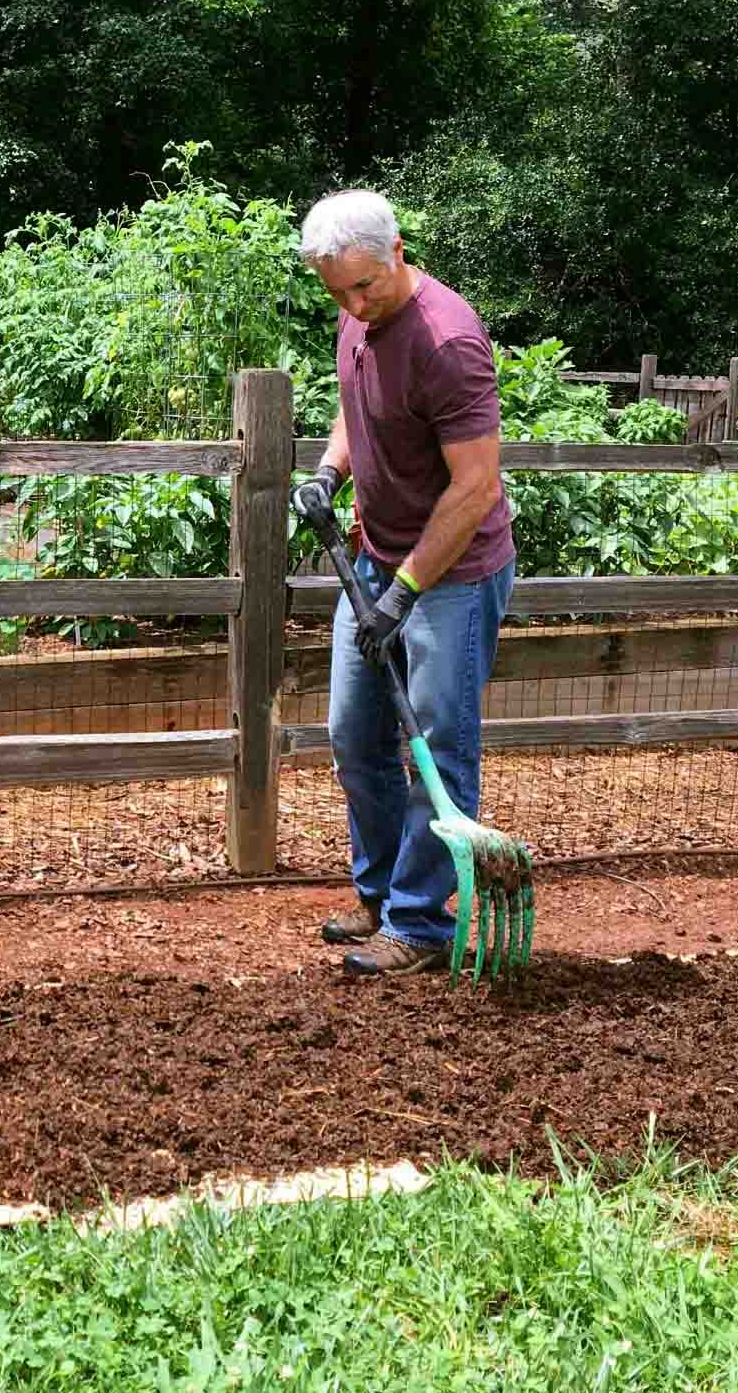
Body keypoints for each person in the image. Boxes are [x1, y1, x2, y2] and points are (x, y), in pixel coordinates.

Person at [290, 188, 517, 977]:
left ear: (398, 250)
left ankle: (419, 924)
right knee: (355, 736)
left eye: (365, 286)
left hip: (450, 576)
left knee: (438, 747)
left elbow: (476, 486)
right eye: (338, 292)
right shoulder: (359, 314)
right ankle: (382, 892)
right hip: (378, 560)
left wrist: (406, 590)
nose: (354, 303)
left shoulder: (448, 341)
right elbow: (357, 409)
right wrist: (328, 472)